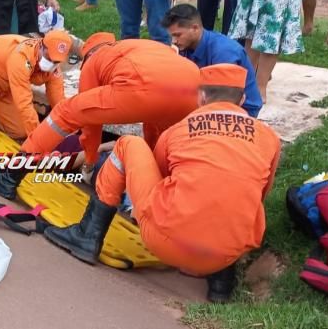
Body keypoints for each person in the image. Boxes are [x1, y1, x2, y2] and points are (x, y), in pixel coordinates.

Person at [44, 64, 281, 303]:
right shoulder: (269, 138)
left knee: (128, 144)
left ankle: (87, 235)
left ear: (201, 97)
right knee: (240, 191)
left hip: (167, 243)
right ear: (242, 99)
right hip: (229, 251)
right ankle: (222, 281)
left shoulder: (179, 130)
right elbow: (262, 192)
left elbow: (159, 179)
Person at [0, 34, 201, 199]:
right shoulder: (140, 46)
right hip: (193, 90)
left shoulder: (96, 59)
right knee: (164, 141)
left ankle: (9, 177)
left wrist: (90, 162)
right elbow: (153, 123)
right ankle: (158, 197)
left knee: (65, 112)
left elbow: (90, 124)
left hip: (141, 86)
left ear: (88, 54)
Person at [162, 4, 262, 117]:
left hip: (239, 108)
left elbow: (225, 98)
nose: (174, 41)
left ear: (195, 28)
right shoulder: (185, 46)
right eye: (171, 36)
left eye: (178, 35)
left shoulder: (223, 51)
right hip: (206, 100)